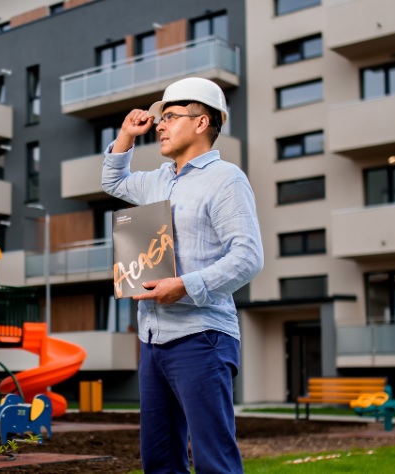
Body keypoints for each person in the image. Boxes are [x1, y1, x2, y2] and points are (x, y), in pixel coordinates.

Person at [101, 77, 264, 474]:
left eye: (171, 116)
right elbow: (112, 181)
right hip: (152, 340)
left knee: (214, 462)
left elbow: (247, 257)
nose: (160, 125)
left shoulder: (226, 179)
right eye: (161, 117)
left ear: (201, 122)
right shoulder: (157, 180)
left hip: (202, 338)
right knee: (159, 462)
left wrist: (186, 286)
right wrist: (126, 135)